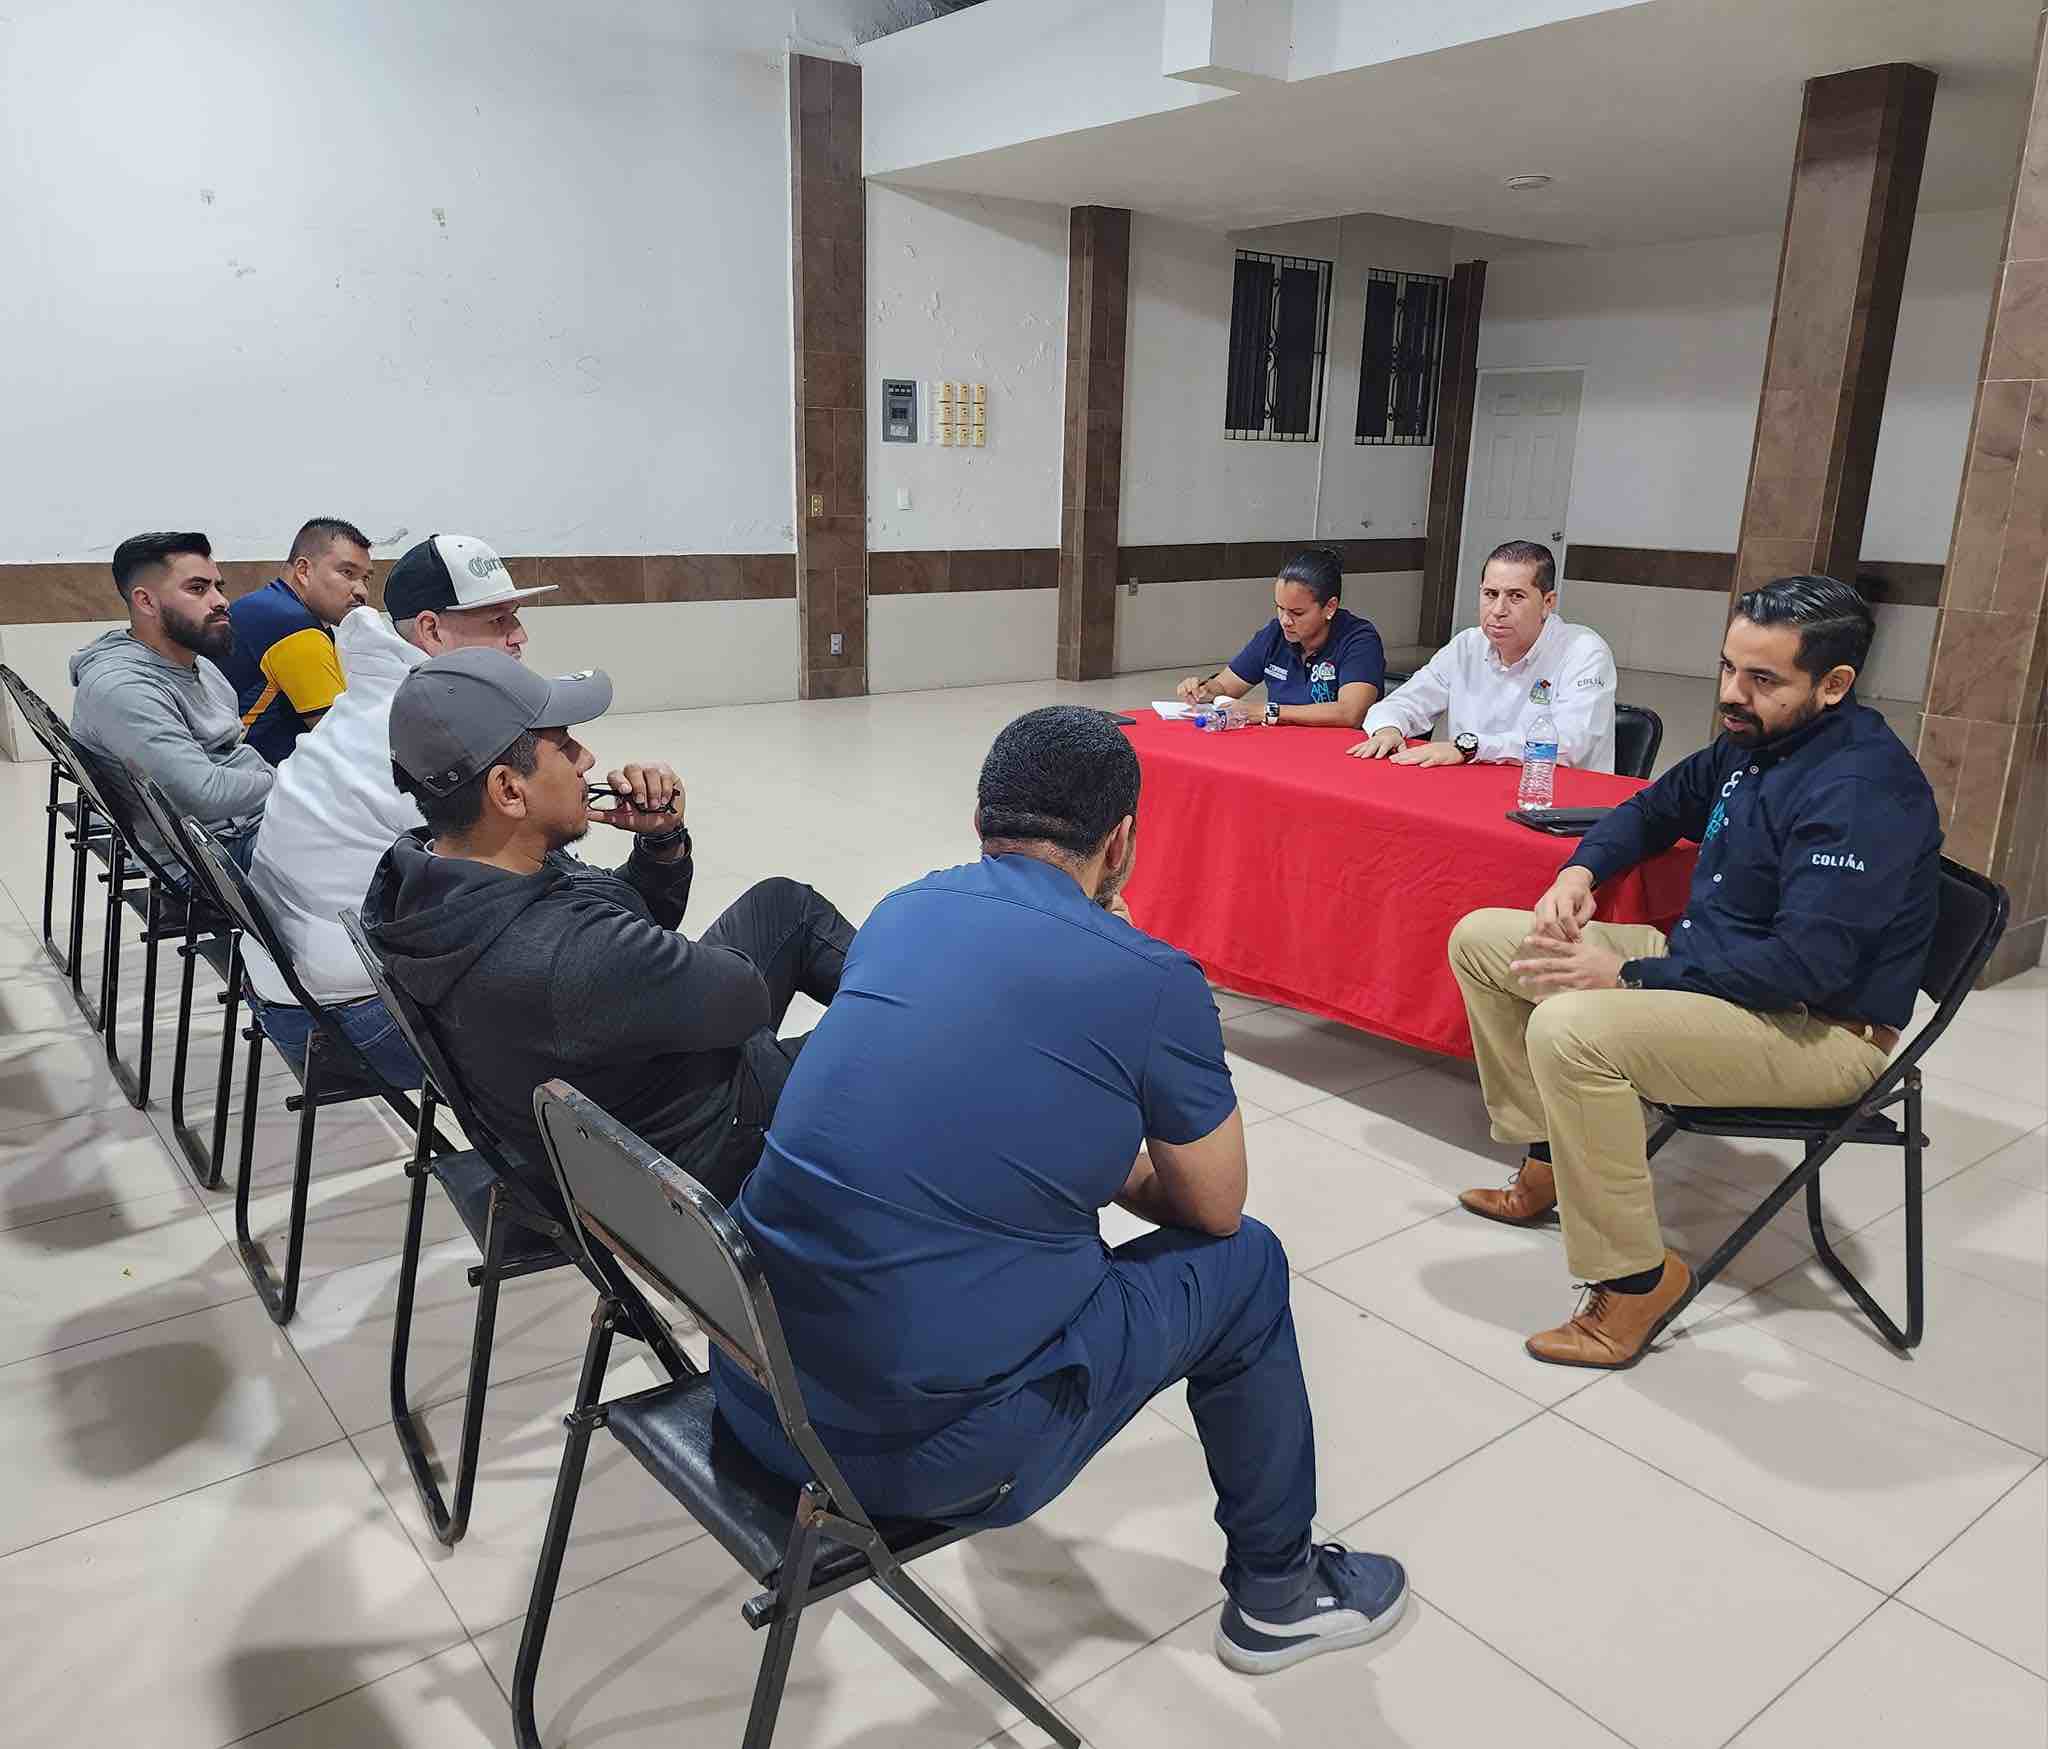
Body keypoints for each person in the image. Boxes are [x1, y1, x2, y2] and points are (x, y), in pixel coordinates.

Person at [714, 706, 1410, 1675]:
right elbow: (1214, 1206)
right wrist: (1113, 1132)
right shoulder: (1152, 979)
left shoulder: (904, 910)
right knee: (1247, 1267)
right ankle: (1278, 1594)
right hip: (907, 1460)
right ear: (1120, 842)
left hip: (752, 1393)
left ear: (980, 822)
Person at [1446, 574, 1939, 1371]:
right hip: (1717, 971)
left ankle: (1635, 1282)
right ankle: (1551, 1161)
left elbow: (1804, 966)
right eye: (1728, 667)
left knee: (1571, 1029)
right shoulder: (1757, 738)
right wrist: (1579, 873)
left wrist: (1627, 976)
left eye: (1762, 678)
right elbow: (1653, 808)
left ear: (1834, 684)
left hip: (1817, 1026)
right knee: (1483, 940)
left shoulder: (1861, 790)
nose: (1732, 694)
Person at [363, 648, 855, 1202]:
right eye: (564, 744)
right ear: (508, 790)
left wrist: (660, 842)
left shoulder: (436, 878)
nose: (588, 758)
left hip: (610, 1110)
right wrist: (672, 980)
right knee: (903, 1023)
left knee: (783, 904)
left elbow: (618, 929)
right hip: (705, 1136)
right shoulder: (566, 952)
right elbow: (744, 998)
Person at [240, 534, 555, 1086]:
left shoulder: (373, 700)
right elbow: (509, 885)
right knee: (597, 1017)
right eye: (497, 620)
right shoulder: (423, 731)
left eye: (516, 617)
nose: (519, 636)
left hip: (293, 988)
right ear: (430, 630)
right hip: (349, 1020)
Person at [68, 530, 272, 883]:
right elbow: (202, 795)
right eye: (198, 589)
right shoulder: (124, 688)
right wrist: (287, 783)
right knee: (368, 856)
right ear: (146, 602)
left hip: (243, 825)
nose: (221, 601)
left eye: (218, 586)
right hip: (212, 857)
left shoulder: (195, 664)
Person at [1348, 540, 1616, 771]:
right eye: (1490, 594)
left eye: (1516, 596)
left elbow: (1569, 744)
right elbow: (1402, 703)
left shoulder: (1583, 651)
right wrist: (1388, 729)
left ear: (1548, 603)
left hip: (1558, 797)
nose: (1498, 610)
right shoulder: (1468, 644)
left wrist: (1470, 747)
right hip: (1474, 789)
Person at [218, 517, 375, 763]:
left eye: (366, 578)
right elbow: (343, 740)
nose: (362, 591)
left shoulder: (267, 605)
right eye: (348, 573)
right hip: (253, 776)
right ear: (303, 570)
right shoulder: (294, 626)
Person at [1175, 546, 1385, 729]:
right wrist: (1203, 690)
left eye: (1297, 613)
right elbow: (1226, 687)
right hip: (1280, 747)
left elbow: (1350, 713)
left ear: (1330, 607)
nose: (1285, 620)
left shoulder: (1358, 640)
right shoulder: (1275, 634)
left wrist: (1267, 712)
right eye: (1280, 608)